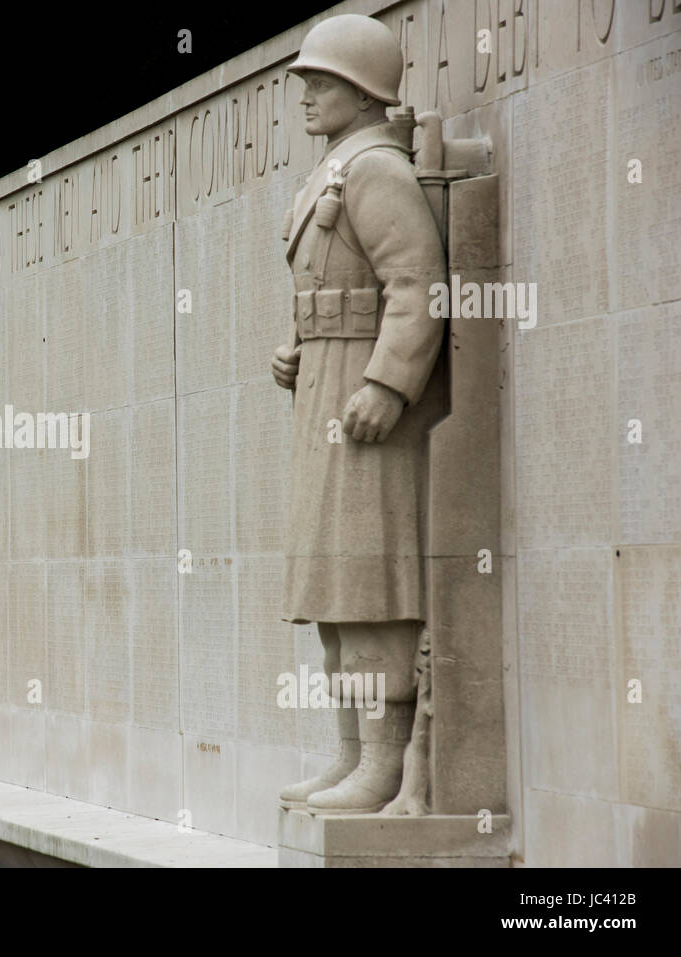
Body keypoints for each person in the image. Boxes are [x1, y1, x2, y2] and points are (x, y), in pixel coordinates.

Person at [271, 14, 447, 813]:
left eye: (323, 81)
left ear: (365, 88)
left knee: (369, 580)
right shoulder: (335, 170)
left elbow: (416, 286)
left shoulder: (376, 171)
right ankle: (349, 754)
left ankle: (382, 762)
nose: (307, 94)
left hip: (364, 397)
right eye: (307, 80)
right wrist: (300, 350)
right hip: (325, 386)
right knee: (333, 582)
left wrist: (386, 383)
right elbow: (333, 287)